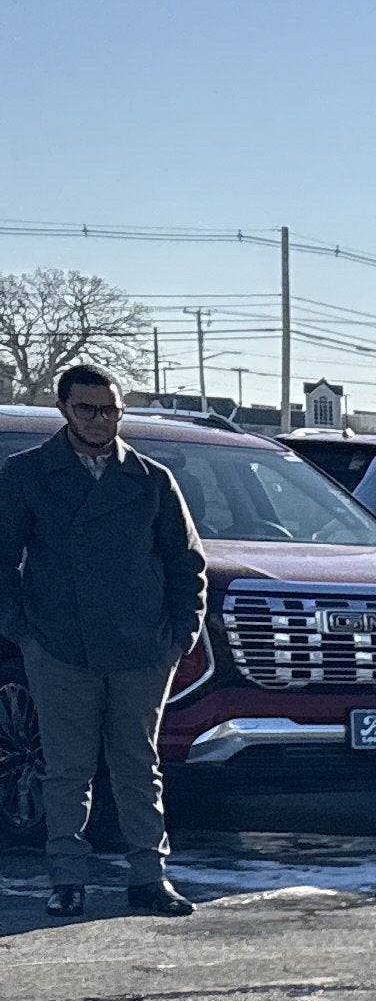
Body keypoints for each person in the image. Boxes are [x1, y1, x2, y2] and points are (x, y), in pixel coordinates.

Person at [1, 364, 204, 916]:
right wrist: (24, 632)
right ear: (64, 408)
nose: (100, 419)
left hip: (142, 648)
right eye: (87, 408)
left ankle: (149, 878)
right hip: (59, 647)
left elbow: (187, 564)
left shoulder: (150, 478)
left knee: (138, 765)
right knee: (67, 767)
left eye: (110, 409)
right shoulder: (26, 473)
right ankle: (67, 877)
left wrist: (180, 634)